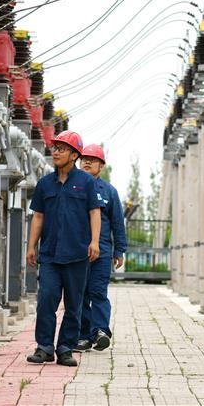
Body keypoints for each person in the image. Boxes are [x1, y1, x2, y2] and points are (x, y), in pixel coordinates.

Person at [26, 130, 102, 367]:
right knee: (47, 299)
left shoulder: (87, 182)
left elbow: (94, 212)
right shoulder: (45, 183)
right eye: (55, 148)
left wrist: (95, 242)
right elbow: (38, 216)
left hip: (77, 254)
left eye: (61, 148)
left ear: (74, 155)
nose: (55, 152)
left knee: (74, 304)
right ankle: (45, 347)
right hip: (49, 254)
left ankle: (66, 348)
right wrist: (31, 247)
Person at [74, 144, 127, 353]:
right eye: (84, 158)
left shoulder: (109, 192)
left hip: (102, 252)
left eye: (92, 160)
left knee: (98, 292)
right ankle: (84, 336)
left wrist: (119, 250)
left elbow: (117, 222)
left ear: (101, 166)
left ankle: (101, 331)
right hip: (77, 252)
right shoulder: (73, 187)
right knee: (80, 294)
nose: (87, 162)